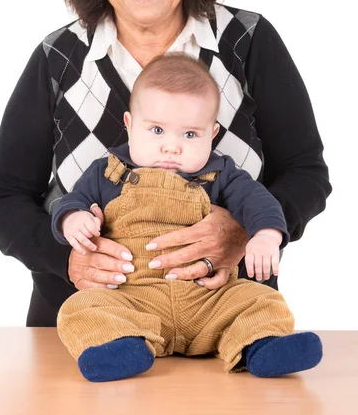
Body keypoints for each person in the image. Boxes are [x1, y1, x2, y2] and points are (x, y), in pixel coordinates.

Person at [0, 0, 331, 328]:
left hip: (226, 317)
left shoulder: (246, 43)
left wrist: (244, 231)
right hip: (85, 323)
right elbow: (3, 195)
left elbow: (306, 172)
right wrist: (67, 261)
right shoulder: (59, 57)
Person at [52, 53, 323, 382]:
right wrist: (72, 219)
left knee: (259, 298)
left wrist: (266, 234)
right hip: (131, 299)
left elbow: (257, 201)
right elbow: (71, 202)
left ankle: (263, 346)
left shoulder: (222, 174)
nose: (171, 147)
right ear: (129, 124)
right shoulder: (106, 173)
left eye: (190, 135)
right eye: (156, 130)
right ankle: (122, 346)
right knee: (79, 308)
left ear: (213, 133)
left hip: (209, 299)